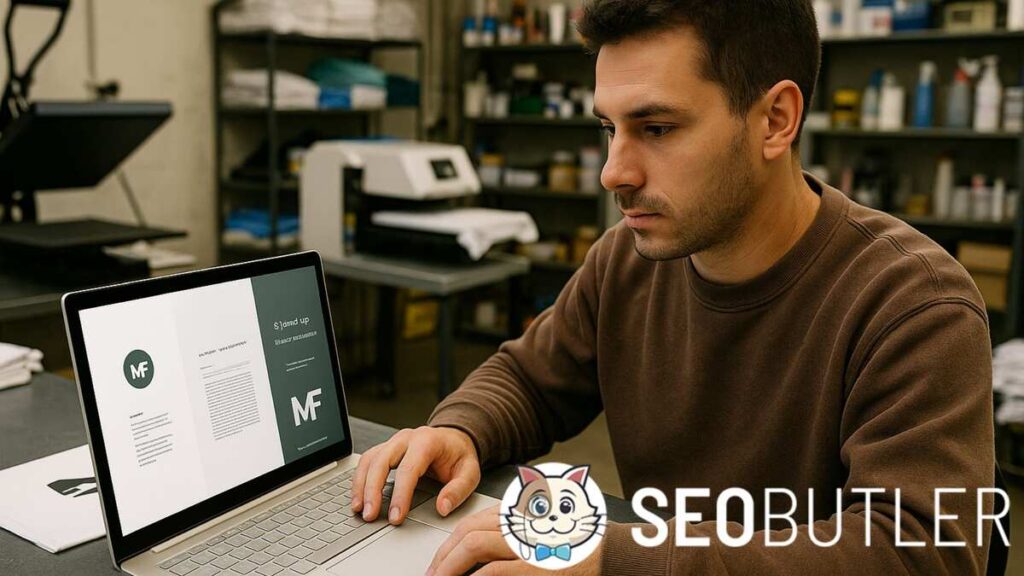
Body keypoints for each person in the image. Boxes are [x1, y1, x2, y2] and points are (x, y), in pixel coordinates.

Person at [350, 1, 997, 574]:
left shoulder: (914, 304)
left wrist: (613, 556)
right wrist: (461, 431)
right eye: (610, 129)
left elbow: (918, 553)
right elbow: (529, 378)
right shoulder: (627, 262)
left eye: (656, 129)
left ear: (776, 119)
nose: (613, 172)